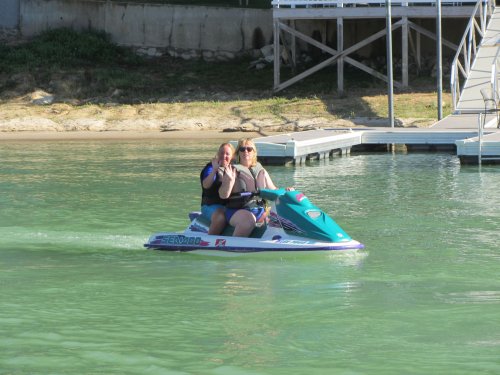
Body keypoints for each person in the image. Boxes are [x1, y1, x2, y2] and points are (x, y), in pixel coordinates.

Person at [219, 138, 283, 237]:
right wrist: (230, 181)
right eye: (242, 149)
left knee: (282, 217)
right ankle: (235, 247)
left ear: (254, 152)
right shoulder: (232, 170)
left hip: (260, 210)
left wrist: (287, 192)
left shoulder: (260, 170)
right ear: (238, 153)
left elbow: (274, 189)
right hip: (237, 211)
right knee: (248, 221)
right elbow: (223, 195)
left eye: (249, 149)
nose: (246, 151)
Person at [200, 142, 235, 235]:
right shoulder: (211, 168)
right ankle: (209, 240)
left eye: (227, 154)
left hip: (229, 206)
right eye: (221, 153)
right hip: (210, 206)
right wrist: (215, 170)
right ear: (217, 154)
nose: (224, 156)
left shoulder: (234, 169)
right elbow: (206, 185)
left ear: (232, 156)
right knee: (221, 217)